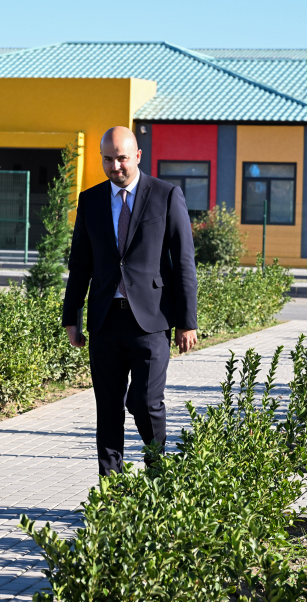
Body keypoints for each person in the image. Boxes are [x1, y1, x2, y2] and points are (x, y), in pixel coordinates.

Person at [62, 126, 198, 476]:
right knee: (107, 408)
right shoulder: (90, 201)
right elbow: (80, 264)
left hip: (151, 321)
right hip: (106, 320)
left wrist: (187, 321)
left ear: (137, 156)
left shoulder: (166, 195)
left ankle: (156, 478)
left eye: (122, 158)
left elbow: (183, 261)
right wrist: (71, 317)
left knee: (146, 402)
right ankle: (112, 491)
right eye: (108, 159)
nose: (115, 166)